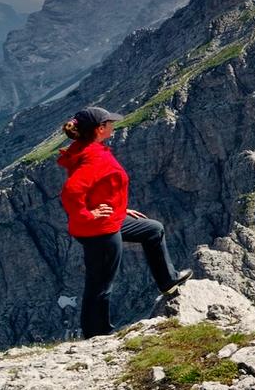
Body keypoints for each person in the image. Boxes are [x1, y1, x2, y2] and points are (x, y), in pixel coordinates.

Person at [56, 105, 190, 338]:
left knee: (153, 230)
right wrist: (88, 215)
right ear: (99, 129)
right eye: (109, 122)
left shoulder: (87, 148)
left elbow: (100, 185)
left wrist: (119, 207)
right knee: (100, 285)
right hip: (99, 230)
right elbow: (71, 191)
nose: (113, 125)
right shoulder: (94, 156)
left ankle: (168, 280)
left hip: (111, 219)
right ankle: (96, 336)